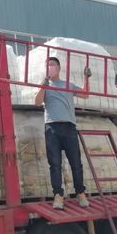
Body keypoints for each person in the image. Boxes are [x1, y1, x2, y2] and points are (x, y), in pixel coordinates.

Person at [35, 56, 92, 210]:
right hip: (52, 127)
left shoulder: (68, 85)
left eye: (52, 64)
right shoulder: (45, 85)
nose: (50, 67)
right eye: (47, 65)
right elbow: (37, 102)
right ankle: (58, 195)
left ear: (59, 68)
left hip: (69, 127)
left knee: (75, 162)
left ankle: (80, 193)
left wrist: (86, 78)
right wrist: (43, 87)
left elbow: (85, 94)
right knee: (54, 164)